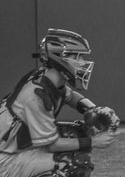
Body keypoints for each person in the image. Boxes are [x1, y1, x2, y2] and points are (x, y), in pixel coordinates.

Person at [0, 28, 118, 177]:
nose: (82, 63)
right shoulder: (36, 96)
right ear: (60, 58)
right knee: (73, 164)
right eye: (78, 57)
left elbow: (70, 96)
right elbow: (51, 145)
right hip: (4, 160)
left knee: (76, 134)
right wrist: (94, 142)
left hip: (15, 148)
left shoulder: (48, 79)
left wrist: (93, 110)